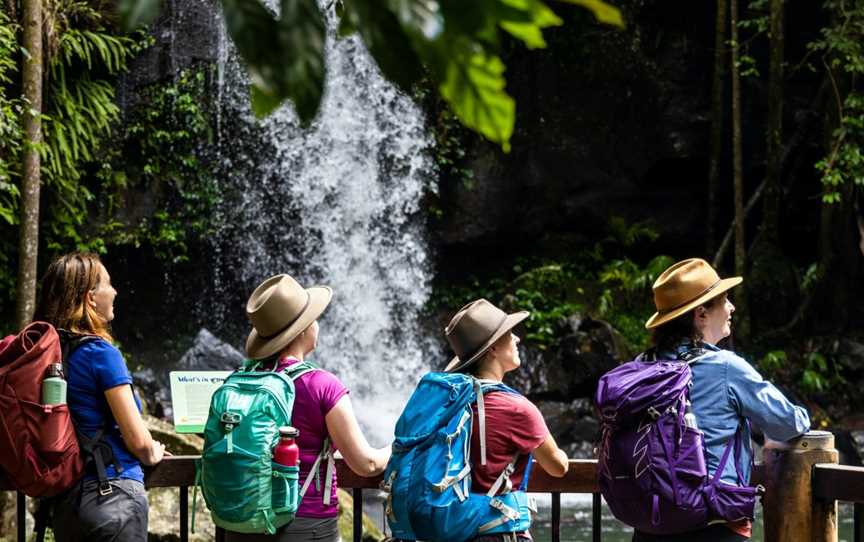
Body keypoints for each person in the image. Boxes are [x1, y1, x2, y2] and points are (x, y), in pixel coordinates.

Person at [634, 258, 811, 542]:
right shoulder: (725, 367)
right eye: (725, 300)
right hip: (713, 523)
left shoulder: (642, 365)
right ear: (701, 315)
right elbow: (789, 423)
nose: (732, 308)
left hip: (651, 523)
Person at [226, 274, 390, 542]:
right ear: (303, 330)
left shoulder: (240, 380)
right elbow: (366, 464)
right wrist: (400, 446)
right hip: (305, 524)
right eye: (313, 318)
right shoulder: (321, 384)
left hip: (244, 522)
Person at [34, 252, 168, 542]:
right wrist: (153, 451)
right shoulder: (100, 353)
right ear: (90, 297)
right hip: (113, 499)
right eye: (109, 283)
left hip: (68, 504)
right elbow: (139, 441)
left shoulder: (49, 354)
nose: (115, 291)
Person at [445, 299, 570, 542]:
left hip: (453, 529)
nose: (517, 339)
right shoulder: (517, 408)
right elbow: (558, 467)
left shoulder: (449, 402)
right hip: (498, 529)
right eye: (509, 334)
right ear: (492, 349)